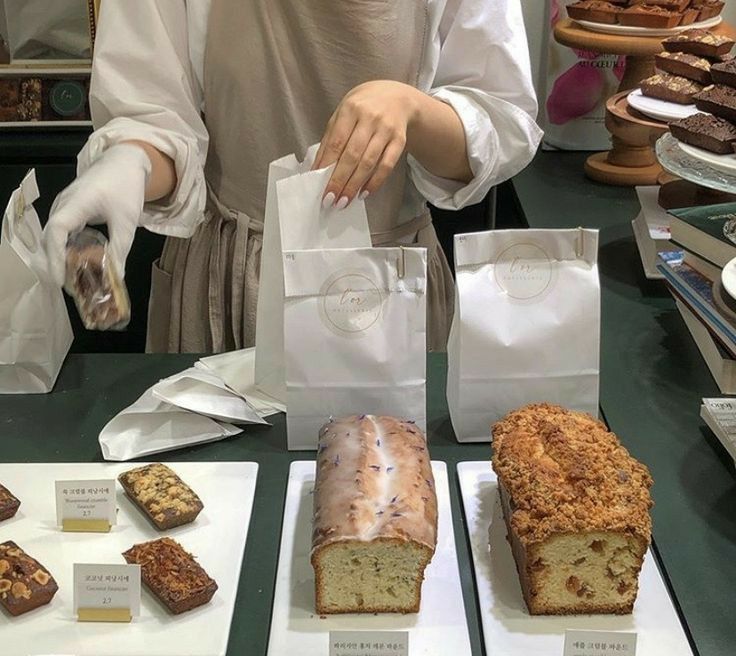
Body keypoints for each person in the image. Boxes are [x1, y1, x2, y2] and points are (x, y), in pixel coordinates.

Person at [44, 0, 542, 354]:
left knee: (393, 490)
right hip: (228, 284)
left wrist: (413, 109)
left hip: (389, 284)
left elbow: (499, 120)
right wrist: (131, 161)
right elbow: (154, 112)